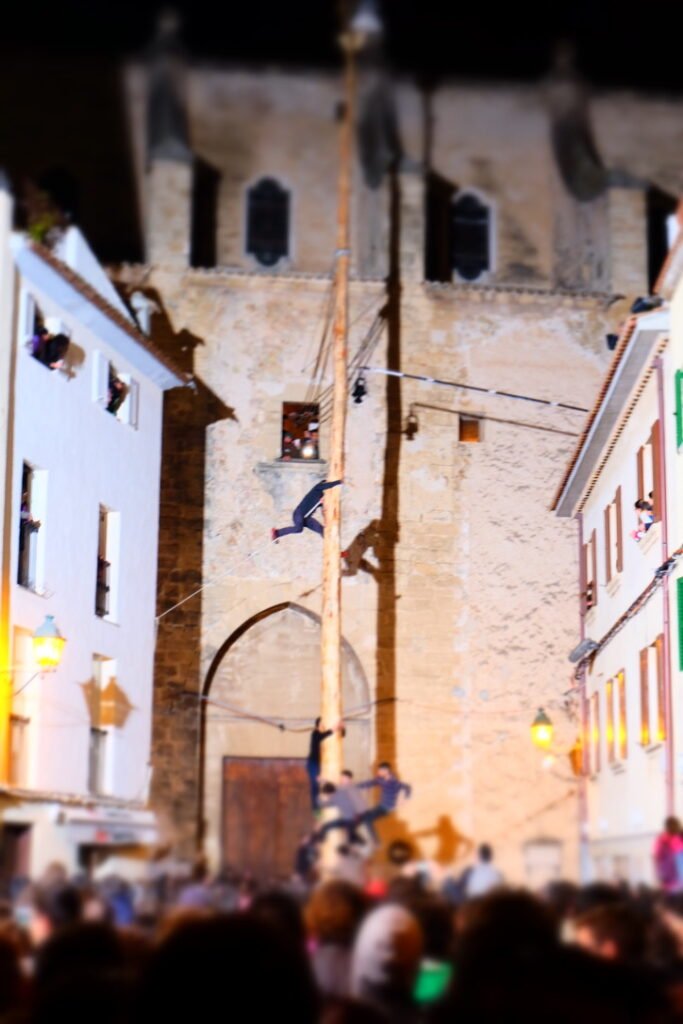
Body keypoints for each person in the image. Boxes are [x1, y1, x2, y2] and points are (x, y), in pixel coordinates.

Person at [356, 763, 412, 845]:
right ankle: (355, 836)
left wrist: (405, 798)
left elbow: (407, 787)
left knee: (368, 820)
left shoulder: (394, 782)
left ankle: (376, 842)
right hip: (381, 806)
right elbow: (369, 783)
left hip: (387, 808)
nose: (378, 772)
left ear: (386, 771)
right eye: (378, 770)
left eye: (380, 770)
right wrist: (355, 786)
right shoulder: (380, 779)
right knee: (362, 817)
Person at [272, 478, 342, 542]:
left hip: (306, 518)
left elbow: (324, 511)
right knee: (298, 529)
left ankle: (329, 540)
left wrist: (326, 518)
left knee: (320, 529)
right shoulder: (317, 489)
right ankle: (277, 533)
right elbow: (328, 485)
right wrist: (339, 482)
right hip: (299, 514)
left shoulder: (321, 499)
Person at [315, 771, 368, 846]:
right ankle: (358, 841)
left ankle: (357, 842)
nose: (327, 796)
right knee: (349, 833)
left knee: (330, 827)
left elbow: (325, 804)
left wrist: (318, 799)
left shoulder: (335, 797)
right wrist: (324, 781)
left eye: (327, 794)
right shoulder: (340, 792)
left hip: (349, 819)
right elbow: (333, 787)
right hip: (352, 818)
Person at [307, 717, 343, 810]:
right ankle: (317, 809)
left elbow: (327, 733)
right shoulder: (315, 734)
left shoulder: (317, 734)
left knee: (317, 787)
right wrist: (337, 724)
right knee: (316, 787)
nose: (324, 725)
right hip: (312, 763)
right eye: (323, 723)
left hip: (315, 764)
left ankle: (319, 807)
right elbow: (328, 733)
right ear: (319, 724)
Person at [654, 816, 683, 892]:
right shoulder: (663, 839)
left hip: (670, 876)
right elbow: (657, 856)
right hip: (671, 876)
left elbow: (657, 856)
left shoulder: (662, 839)